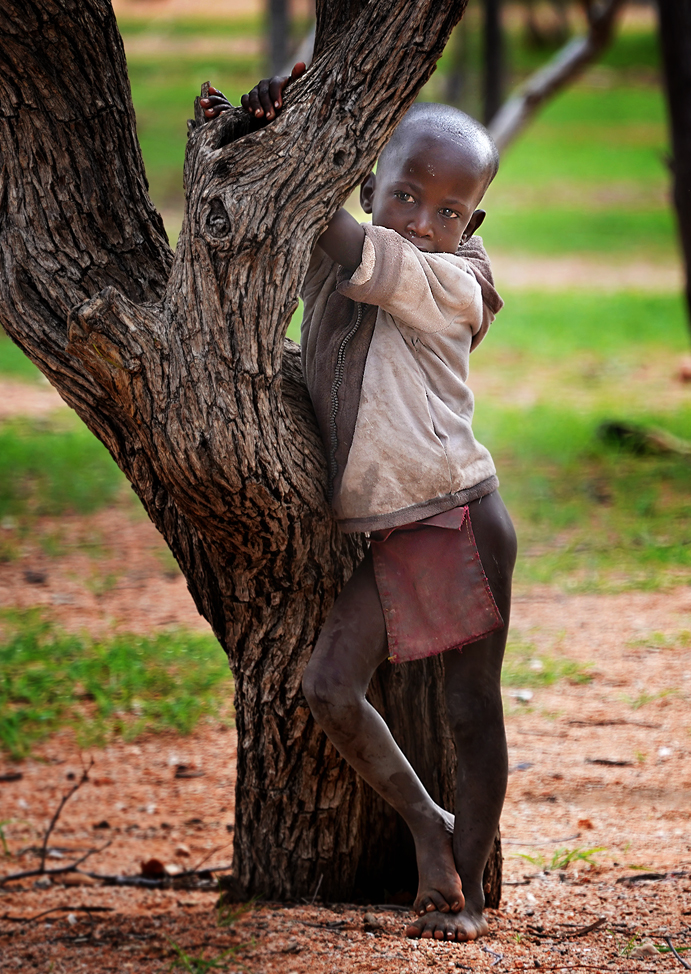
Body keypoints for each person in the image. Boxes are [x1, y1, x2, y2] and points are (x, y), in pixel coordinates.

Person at [195, 68, 513, 943]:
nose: (421, 220)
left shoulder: (449, 282)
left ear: (470, 225)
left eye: (448, 211)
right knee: (330, 687)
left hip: (456, 517)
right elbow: (295, 223)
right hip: (398, 531)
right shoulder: (362, 248)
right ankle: (431, 828)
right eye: (405, 194)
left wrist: (282, 150)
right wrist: (252, 127)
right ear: (374, 180)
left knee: (468, 710)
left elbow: (327, 224)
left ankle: (472, 896)